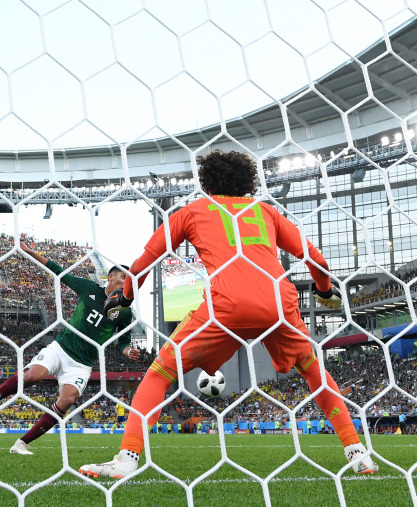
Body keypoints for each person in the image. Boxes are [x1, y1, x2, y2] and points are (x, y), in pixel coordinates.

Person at [79, 150, 378, 479]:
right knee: (312, 371)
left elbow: (142, 265)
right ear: (248, 181)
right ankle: (357, 452)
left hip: (227, 305)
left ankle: (127, 458)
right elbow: (317, 260)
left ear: (206, 181)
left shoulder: (191, 212)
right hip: (279, 304)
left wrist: (124, 298)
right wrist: (322, 290)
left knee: (160, 374)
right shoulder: (265, 211)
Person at [0, 243, 141, 454]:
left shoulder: (125, 312)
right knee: (33, 376)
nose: (126, 284)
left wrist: (129, 351)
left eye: (129, 281)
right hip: (62, 347)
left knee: (68, 399)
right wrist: (30, 253)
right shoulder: (88, 288)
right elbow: (58, 271)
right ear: (110, 277)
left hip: (82, 363)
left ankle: (22, 443)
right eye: (123, 278)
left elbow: (122, 342)